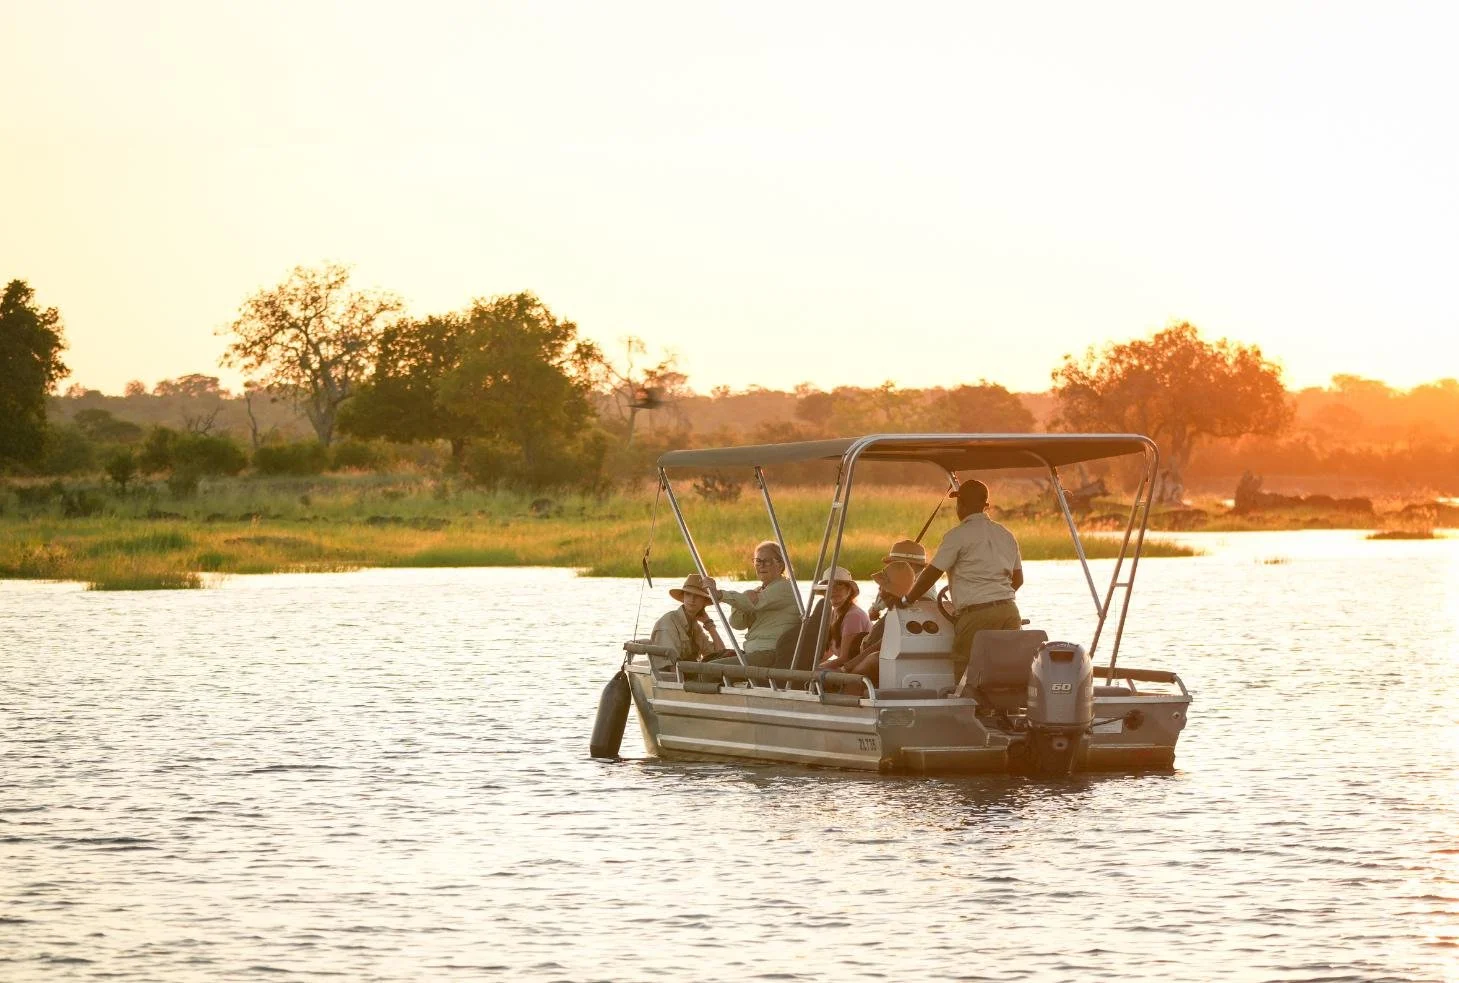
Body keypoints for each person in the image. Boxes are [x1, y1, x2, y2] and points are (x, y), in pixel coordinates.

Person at [898, 479, 1023, 679]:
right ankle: (1002, 709)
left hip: (975, 615)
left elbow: (931, 573)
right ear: (986, 505)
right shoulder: (1006, 534)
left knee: (965, 668)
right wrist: (997, 601)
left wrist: (907, 600)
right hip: (1009, 611)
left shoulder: (957, 536)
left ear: (961, 505)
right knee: (1004, 669)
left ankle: (970, 708)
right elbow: (1017, 580)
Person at [710, 540, 801, 668]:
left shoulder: (785, 587)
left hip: (769, 654)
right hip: (753, 653)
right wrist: (744, 599)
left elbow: (752, 604)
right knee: (707, 663)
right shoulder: (758, 591)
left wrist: (720, 595)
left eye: (767, 561)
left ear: (781, 565)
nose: (761, 566)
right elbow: (737, 624)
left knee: (709, 669)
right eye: (758, 561)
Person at [829, 560, 917, 686]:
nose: (879, 591)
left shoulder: (895, 618)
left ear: (887, 590)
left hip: (872, 669)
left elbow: (876, 648)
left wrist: (846, 669)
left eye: (881, 587)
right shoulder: (898, 614)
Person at [650, 573, 726, 665]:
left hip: (689, 675)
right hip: (671, 677)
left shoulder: (695, 627)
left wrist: (710, 626)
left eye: (697, 596)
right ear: (683, 597)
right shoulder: (668, 623)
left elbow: (721, 657)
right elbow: (670, 666)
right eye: (688, 594)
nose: (692, 599)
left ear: (704, 602)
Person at [812, 566, 872, 670]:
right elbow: (829, 652)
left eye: (839, 585)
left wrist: (815, 668)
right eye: (829, 585)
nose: (834, 589)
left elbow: (845, 658)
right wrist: (810, 664)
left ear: (849, 590)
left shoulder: (853, 616)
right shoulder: (833, 613)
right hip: (849, 668)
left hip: (858, 670)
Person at [866, 539, 930, 621]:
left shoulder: (922, 584)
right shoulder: (898, 577)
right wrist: (875, 608)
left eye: (895, 564)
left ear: (909, 565)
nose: (892, 567)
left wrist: (877, 608)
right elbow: (885, 589)